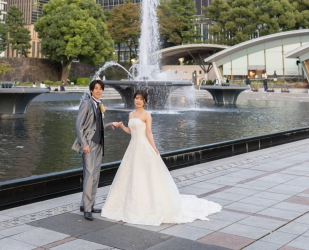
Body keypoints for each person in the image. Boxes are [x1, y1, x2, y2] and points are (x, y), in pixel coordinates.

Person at [102, 90, 222, 225]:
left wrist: (154, 148)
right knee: (132, 174)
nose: (138, 101)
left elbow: (149, 133)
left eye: (141, 99)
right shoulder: (131, 114)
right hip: (132, 148)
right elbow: (131, 131)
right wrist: (122, 126)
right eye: (136, 98)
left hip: (143, 147)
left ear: (145, 101)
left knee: (146, 175)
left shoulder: (147, 115)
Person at [72, 79, 114, 220]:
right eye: (96, 88)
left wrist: (112, 125)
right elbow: (79, 126)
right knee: (89, 175)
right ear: (91, 90)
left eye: (101, 88)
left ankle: (88, 204)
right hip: (89, 144)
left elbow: (99, 127)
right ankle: (87, 209)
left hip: (99, 145)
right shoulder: (86, 104)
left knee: (95, 176)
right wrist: (84, 144)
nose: (98, 90)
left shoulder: (100, 105)